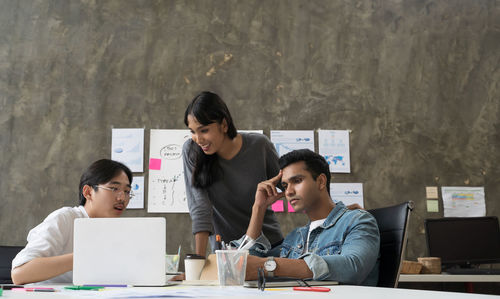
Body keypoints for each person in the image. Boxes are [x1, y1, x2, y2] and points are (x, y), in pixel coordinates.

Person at [235, 149, 380, 285]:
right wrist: (259, 208)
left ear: (321, 181)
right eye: (285, 186)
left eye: (297, 181)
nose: (289, 192)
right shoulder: (295, 237)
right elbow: (241, 264)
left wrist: (269, 266)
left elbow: (353, 267)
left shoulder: (357, 221)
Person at [183, 91, 283, 256]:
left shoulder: (259, 146)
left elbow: (288, 183)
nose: (198, 139)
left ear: (224, 124)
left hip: (269, 246)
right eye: (192, 131)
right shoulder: (192, 151)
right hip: (228, 253)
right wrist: (198, 261)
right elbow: (200, 207)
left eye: (204, 130)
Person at [11, 159, 133, 285]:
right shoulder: (65, 218)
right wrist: (84, 256)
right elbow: (20, 274)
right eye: (114, 188)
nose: (122, 198)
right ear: (88, 192)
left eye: (127, 191)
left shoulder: (118, 230)